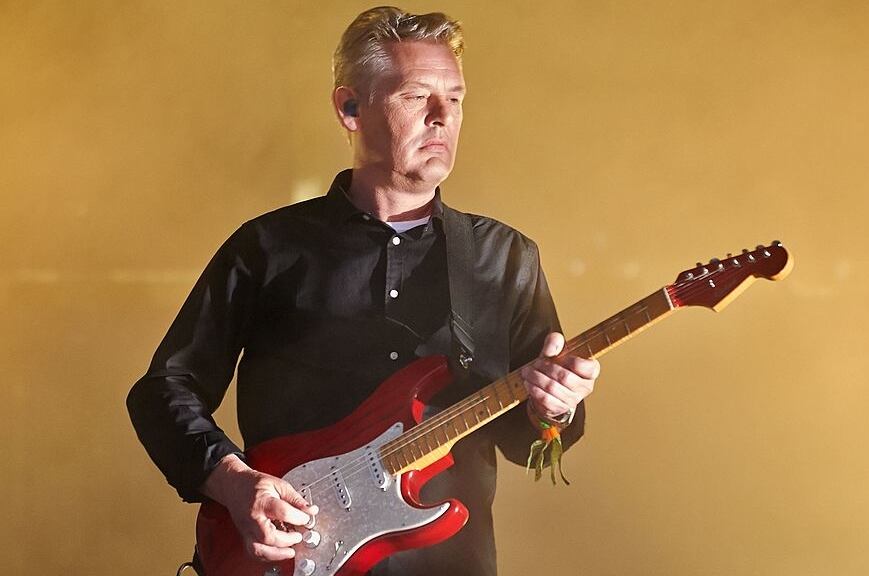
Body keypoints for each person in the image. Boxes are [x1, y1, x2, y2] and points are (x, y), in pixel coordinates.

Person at [127, 6, 599, 576]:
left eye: (455, 99)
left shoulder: (504, 257)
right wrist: (232, 482)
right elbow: (163, 389)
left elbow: (529, 443)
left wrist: (556, 410)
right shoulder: (269, 247)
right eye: (416, 96)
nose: (442, 117)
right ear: (349, 108)